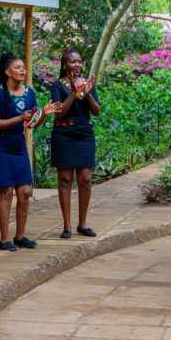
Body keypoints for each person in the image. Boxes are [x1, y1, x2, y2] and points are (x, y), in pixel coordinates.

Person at [0, 53, 59, 251]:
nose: (22, 70)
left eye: (24, 68)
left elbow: (32, 124)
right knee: (7, 191)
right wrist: (19, 118)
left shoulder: (30, 93)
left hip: (18, 143)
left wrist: (43, 113)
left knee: (25, 191)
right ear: (7, 71)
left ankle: (20, 236)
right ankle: (4, 239)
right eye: (18, 67)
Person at [50, 49, 101, 239]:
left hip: (84, 135)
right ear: (65, 65)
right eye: (73, 62)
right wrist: (73, 93)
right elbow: (59, 113)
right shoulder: (57, 85)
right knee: (65, 180)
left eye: (79, 62)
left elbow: (97, 111)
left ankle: (83, 224)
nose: (77, 65)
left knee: (86, 179)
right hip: (64, 134)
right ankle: (67, 226)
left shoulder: (88, 84)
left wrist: (87, 94)